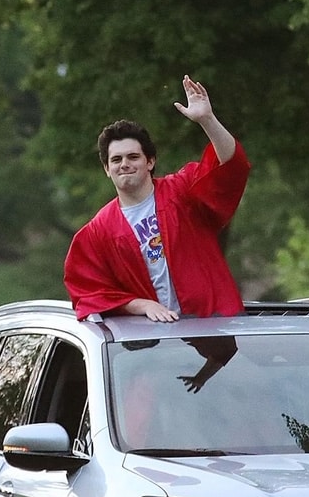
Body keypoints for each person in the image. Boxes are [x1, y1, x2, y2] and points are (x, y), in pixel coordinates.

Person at [64, 75, 250, 322]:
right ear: (107, 169)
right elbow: (88, 293)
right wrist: (140, 305)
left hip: (212, 326)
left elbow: (230, 167)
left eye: (133, 157)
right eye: (116, 160)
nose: (125, 165)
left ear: (150, 161)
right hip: (151, 345)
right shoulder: (98, 232)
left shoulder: (182, 191)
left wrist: (207, 120)